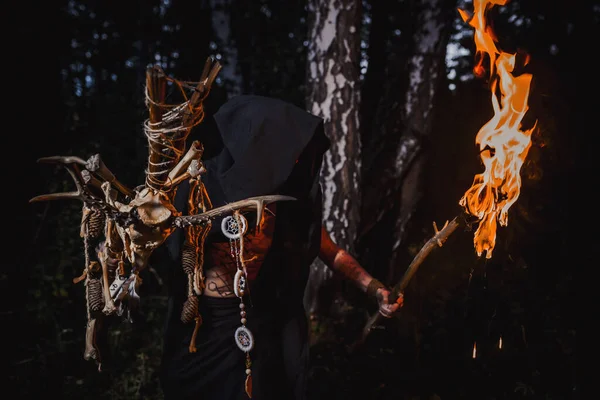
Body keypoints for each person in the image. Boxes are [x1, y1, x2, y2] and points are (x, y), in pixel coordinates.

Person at [155, 94, 403, 400]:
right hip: (206, 331)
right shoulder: (201, 188)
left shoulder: (287, 202)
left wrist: (374, 288)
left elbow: (330, 250)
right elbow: (158, 238)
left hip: (265, 323)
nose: (295, 161)